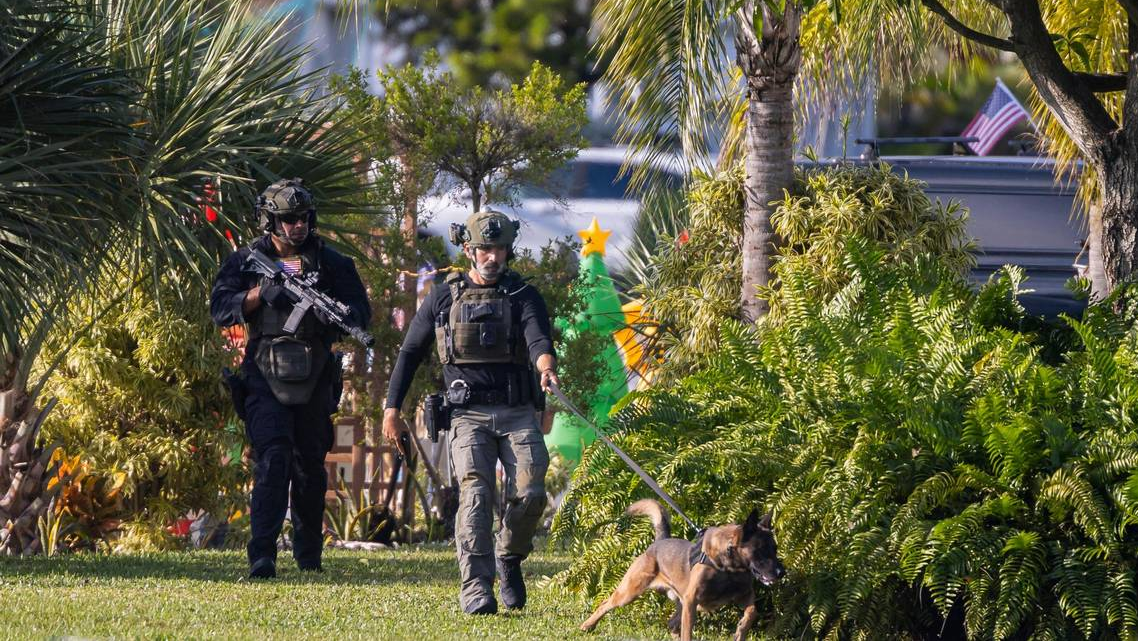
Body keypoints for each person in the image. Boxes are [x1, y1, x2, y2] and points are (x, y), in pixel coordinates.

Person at [382, 209, 559, 615]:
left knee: (531, 492)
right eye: (484, 249)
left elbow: (538, 339)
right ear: (468, 250)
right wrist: (392, 408)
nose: (492, 257)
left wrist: (546, 368)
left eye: (499, 249)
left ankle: (508, 555)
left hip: (517, 412)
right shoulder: (444, 296)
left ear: (508, 250)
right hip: (468, 415)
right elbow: (410, 353)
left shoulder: (523, 294)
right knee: (476, 494)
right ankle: (476, 587)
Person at [210, 178, 370, 579]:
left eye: (303, 218)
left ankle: (309, 554)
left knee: (310, 467)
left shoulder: (332, 263)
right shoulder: (247, 261)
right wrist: (258, 295)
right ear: (270, 221)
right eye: (288, 219)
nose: (298, 226)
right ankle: (262, 555)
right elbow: (220, 308)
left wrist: (335, 316)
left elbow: (359, 312)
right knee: (273, 459)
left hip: (314, 374)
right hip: (264, 375)